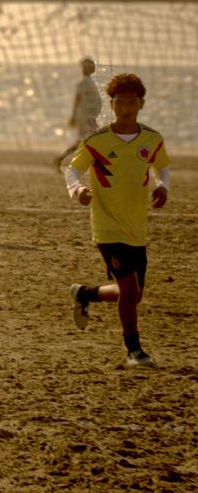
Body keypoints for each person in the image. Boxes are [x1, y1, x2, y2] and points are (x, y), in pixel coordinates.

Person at [64, 73, 169, 368]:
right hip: (107, 226)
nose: (126, 107)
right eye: (120, 102)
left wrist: (163, 187)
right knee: (130, 290)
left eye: (132, 101)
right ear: (111, 104)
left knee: (132, 295)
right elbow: (71, 170)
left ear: (141, 104)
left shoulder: (151, 139)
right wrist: (78, 189)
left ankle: (84, 293)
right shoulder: (97, 141)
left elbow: (163, 169)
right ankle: (134, 351)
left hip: (137, 227)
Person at [54, 56, 102, 170]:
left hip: (90, 117)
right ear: (84, 68)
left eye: (93, 65)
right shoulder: (84, 82)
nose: (93, 68)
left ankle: (62, 160)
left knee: (85, 141)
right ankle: (64, 160)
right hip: (86, 118)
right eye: (90, 66)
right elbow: (77, 99)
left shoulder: (90, 81)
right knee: (93, 139)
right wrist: (74, 116)